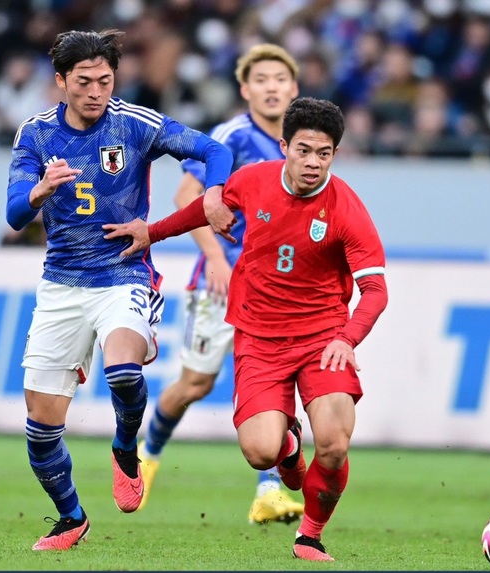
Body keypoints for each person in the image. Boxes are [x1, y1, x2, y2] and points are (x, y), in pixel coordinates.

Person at [103, 97, 389, 562]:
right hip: (259, 338)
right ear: (284, 146)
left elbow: (376, 291)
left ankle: (310, 536)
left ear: (335, 154)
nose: (313, 163)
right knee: (261, 453)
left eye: (324, 153)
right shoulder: (253, 181)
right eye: (304, 150)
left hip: (323, 338)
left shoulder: (347, 208)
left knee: (335, 444)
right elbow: (204, 208)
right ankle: (288, 445)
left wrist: (346, 338)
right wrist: (151, 232)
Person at [4, 29, 232, 552]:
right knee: (41, 428)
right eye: (83, 82)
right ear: (61, 81)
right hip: (61, 283)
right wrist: (38, 192)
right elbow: (15, 214)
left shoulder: (135, 123)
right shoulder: (35, 135)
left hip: (124, 272)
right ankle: (71, 519)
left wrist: (215, 190)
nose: (95, 91)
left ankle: (125, 447)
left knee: (124, 369)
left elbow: (212, 149)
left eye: (105, 80)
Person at [135, 43, 304, 525]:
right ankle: (146, 455)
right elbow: (187, 196)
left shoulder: (300, 142)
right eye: (262, 80)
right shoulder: (232, 137)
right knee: (195, 383)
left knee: (275, 383)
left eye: (280, 79)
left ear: (293, 88)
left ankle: (268, 492)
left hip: (274, 289)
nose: (272, 87)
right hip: (221, 282)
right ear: (245, 89)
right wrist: (216, 259)